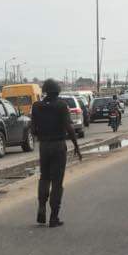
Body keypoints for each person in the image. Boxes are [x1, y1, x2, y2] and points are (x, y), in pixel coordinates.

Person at [30, 79, 82, 227]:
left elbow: (33, 130)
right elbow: (69, 128)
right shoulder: (61, 105)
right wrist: (76, 147)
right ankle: (54, 217)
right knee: (57, 183)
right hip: (58, 146)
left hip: (44, 146)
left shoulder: (36, 106)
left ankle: (41, 206)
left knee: (44, 178)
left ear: (45, 91)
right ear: (57, 91)